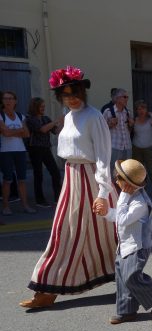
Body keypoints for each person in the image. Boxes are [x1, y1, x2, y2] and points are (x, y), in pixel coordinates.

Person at [20, 66, 117, 308]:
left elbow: (104, 156)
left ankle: (134, 279)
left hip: (91, 178)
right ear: (60, 97)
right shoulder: (68, 115)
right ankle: (48, 288)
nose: (71, 98)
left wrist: (103, 192)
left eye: (75, 94)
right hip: (71, 176)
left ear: (83, 93)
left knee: (88, 231)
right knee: (79, 232)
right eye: (66, 95)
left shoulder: (94, 116)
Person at [98, 159, 152, 324]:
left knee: (131, 277)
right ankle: (126, 311)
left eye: (119, 178)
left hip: (137, 246)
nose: (116, 181)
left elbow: (122, 219)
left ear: (129, 183)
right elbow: (119, 216)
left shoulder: (140, 202)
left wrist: (121, 198)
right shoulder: (130, 195)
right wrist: (106, 213)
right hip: (125, 245)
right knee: (122, 278)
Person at [0, 91, 36, 215]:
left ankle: (25, 205)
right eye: (5, 99)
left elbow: (26, 134)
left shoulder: (21, 116)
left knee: (22, 179)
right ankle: (5, 206)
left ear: (15, 101)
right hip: (5, 151)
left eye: (10, 98)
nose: (8, 101)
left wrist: (12, 130)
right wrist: (19, 130)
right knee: (8, 179)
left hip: (20, 151)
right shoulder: (1, 116)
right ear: (2, 101)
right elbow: (6, 133)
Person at [26, 97, 63, 207]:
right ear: (35, 107)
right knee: (39, 174)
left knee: (55, 172)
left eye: (43, 106)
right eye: (41, 106)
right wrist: (56, 121)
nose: (43, 108)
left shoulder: (46, 118)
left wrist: (62, 123)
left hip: (46, 148)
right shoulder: (30, 119)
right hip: (35, 149)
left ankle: (58, 198)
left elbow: (55, 131)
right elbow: (42, 129)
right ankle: (40, 200)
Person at [103, 88, 134, 175]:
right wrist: (109, 124)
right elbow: (101, 130)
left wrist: (131, 125)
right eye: (125, 97)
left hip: (127, 146)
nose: (127, 99)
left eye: (127, 97)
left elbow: (130, 130)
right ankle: (114, 188)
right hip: (114, 146)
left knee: (127, 170)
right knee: (113, 170)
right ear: (117, 98)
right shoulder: (108, 112)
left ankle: (125, 188)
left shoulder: (128, 112)